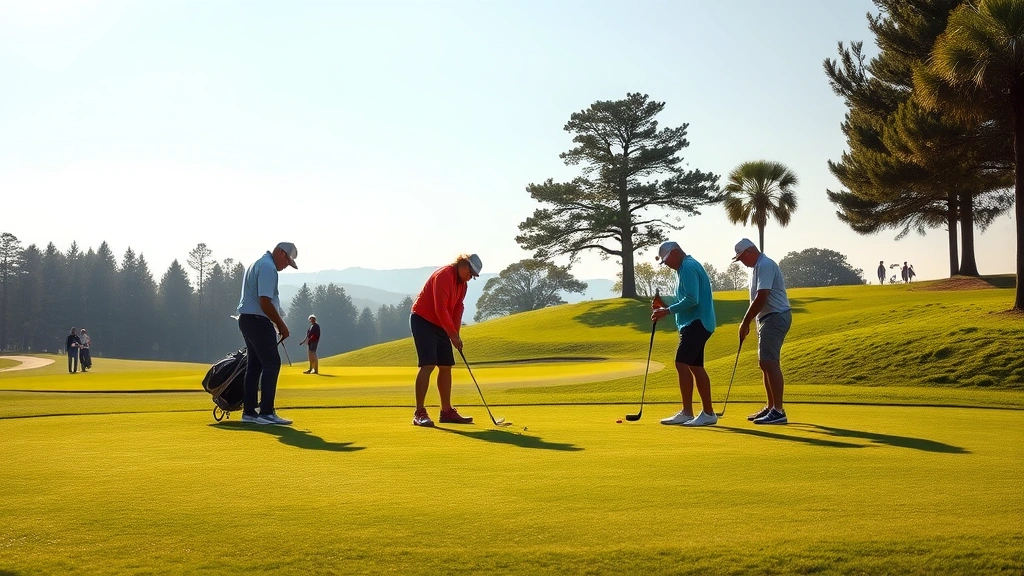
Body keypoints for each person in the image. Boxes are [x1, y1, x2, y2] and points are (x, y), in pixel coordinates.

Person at [409, 253, 482, 427]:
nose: (470, 277)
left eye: (473, 276)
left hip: (442, 323)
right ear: (462, 264)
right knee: (428, 364)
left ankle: (446, 411)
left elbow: (458, 307)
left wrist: (455, 334)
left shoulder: (462, 285)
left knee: (446, 365)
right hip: (423, 319)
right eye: (470, 273)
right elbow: (439, 308)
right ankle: (419, 413)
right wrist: (452, 334)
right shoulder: (444, 275)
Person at [651, 241, 718, 426]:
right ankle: (707, 413)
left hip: (697, 322)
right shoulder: (684, 268)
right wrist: (664, 304)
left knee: (681, 363)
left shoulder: (688, 267)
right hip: (697, 322)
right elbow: (683, 299)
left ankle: (689, 412)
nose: (667, 265)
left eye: (667, 260)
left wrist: (667, 311)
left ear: (675, 252)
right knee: (696, 367)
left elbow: (692, 299)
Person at [235, 242, 297, 426]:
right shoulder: (269, 267)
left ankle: (249, 412)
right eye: (287, 261)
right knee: (272, 363)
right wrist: (281, 325)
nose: (286, 266)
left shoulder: (258, 263)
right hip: (258, 321)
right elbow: (265, 302)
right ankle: (266, 413)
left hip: (247, 319)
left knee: (255, 365)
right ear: (280, 252)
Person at [734, 238, 792, 425]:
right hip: (768, 318)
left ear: (750, 252)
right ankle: (771, 407)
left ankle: (778, 411)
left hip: (776, 315)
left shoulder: (765, 265)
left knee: (770, 362)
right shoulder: (757, 268)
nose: (742, 262)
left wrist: (745, 322)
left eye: (742, 258)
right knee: (765, 364)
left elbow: (762, 297)